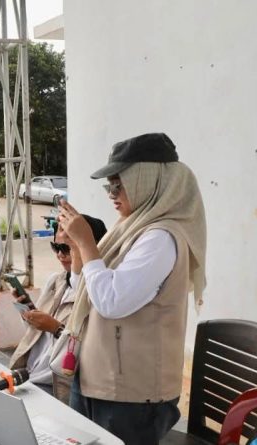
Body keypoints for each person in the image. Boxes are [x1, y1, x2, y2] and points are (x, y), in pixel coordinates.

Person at [57, 133, 206, 445]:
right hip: (97, 378)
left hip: (130, 396)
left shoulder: (161, 237)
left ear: (149, 180)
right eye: (108, 185)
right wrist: (77, 250)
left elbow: (111, 301)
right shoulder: (131, 226)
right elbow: (86, 287)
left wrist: (86, 242)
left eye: (118, 183)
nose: (112, 194)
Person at [8, 215, 107, 402]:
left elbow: (92, 350)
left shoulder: (100, 292)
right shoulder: (56, 281)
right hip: (29, 373)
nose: (60, 255)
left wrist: (55, 328)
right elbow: (35, 336)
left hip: (55, 386)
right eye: (56, 247)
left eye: (66, 248)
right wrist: (28, 312)